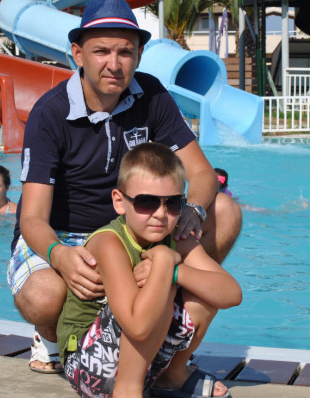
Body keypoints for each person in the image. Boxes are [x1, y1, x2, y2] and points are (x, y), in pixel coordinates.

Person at [7, 0, 242, 377]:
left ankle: (170, 346)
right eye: (101, 51)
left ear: (139, 54)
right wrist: (60, 255)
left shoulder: (152, 97)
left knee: (226, 211)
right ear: (78, 54)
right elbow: (32, 217)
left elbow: (202, 173)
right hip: (65, 234)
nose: (114, 64)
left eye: (125, 52)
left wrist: (194, 212)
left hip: (136, 226)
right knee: (46, 296)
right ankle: (50, 336)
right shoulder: (50, 114)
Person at [58, 143, 240, 398]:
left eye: (173, 203)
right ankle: (128, 391)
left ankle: (170, 377)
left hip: (141, 355)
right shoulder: (109, 243)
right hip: (88, 366)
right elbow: (137, 326)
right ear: (120, 202)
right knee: (159, 286)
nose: (161, 214)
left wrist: (177, 273)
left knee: (201, 289)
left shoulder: (175, 237)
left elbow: (231, 293)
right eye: (146, 202)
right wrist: (164, 266)